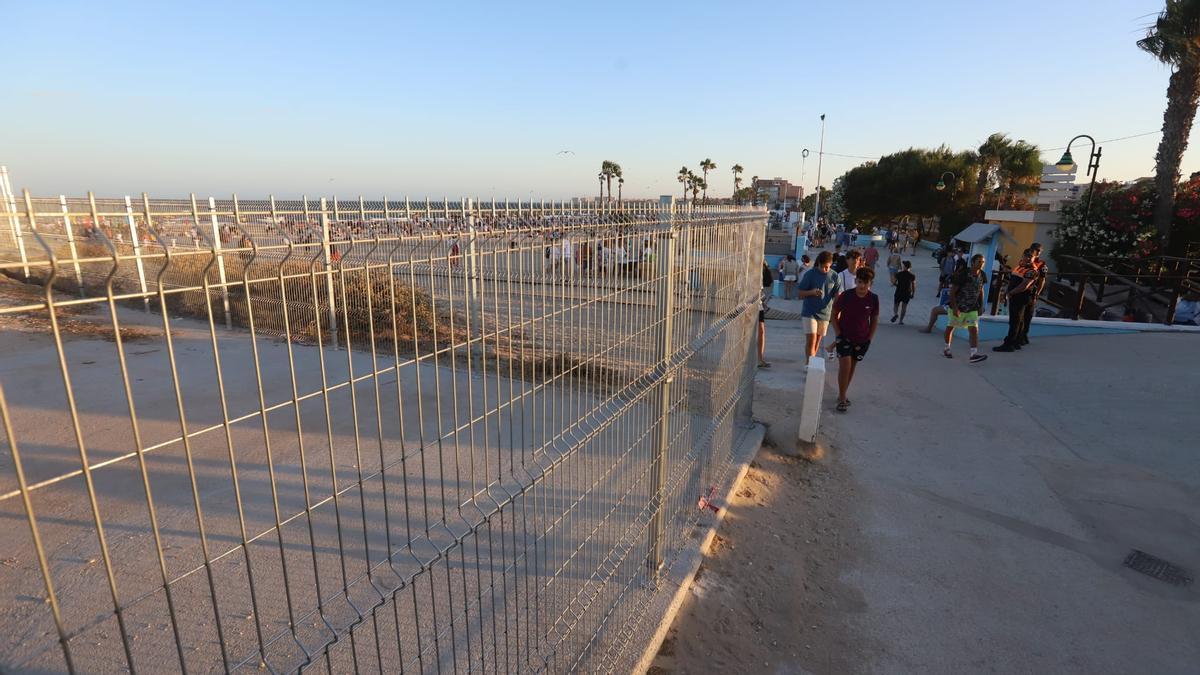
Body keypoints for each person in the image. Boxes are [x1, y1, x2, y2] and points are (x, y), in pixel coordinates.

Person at [830, 267, 880, 413]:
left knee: (852, 367)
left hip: (862, 340)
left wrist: (869, 338)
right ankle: (842, 397)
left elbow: (874, 319)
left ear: (871, 283)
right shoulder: (846, 296)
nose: (862, 286)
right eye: (859, 282)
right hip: (844, 337)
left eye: (865, 283)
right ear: (855, 281)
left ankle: (843, 393)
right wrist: (838, 334)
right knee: (845, 366)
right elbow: (833, 314)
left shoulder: (874, 299)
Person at [943, 254, 989, 363]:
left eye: (983, 262)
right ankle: (947, 348)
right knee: (951, 327)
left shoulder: (982, 275)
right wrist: (955, 308)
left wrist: (981, 305)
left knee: (974, 329)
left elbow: (981, 290)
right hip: (959, 306)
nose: (981, 264)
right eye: (979, 262)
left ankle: (973, 354)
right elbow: (952, 292)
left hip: (972, 308)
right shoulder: (963, 274)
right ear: (972, 262)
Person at [796, 251, 841, 360]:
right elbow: (800, 294)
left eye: (827, 267)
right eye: (822, 267)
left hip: (825, 313)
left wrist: (837, 312)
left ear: (831, 264)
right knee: (811, 339)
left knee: (817, 340)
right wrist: (812, 292)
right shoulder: (810, 274)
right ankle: (809, 364)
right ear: (818, 264)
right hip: (809, 312)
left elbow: (838, 296)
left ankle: (813, 363)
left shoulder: (835, 276)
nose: (824, 269)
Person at [993, 249, 1037, 352]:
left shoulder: (1032, 270)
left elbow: (1024, 285)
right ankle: (1017, 342)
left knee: (1015, 321)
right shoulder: (1020, 266)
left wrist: (1010, 293)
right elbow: (1013, 280)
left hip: (1021, 297)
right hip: (1016, 297)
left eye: (1030, 257)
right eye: (1026, 255)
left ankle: (1009, 344)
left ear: (1034, 258)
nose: (1027, 258)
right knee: (1018, 321)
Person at [1016, 242, 1047, 346]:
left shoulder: (1042, 264)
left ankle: (1023, 336)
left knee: (1027, 316)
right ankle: (1018, 336)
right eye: (1036, 250)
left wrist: (1037, 293)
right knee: (1019, 316)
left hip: (1031, 292)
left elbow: (1042, 280)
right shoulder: (1024, 260)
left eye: (1039, 250)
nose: (1037, 252)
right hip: (1021, 291)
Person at [758, 260, 773, 367]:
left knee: (761, 330)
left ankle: (760, 359)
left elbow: (768, 281)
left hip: (758, 303)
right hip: (747, 303)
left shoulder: (761, 266)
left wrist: (765, 265)